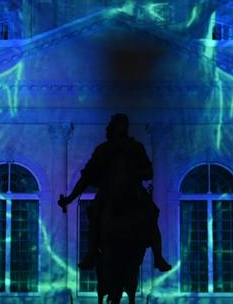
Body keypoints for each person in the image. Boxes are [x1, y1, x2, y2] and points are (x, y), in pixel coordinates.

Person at [58, 113, 171, 272]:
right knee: (96, 213)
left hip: (133, 191)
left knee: (150, 214)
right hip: (109, 192)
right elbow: (86, 177)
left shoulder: (135, 148)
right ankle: (91, 253)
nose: (112, 129)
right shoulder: (103, 150)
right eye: (114, 126)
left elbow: (149, 172)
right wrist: (69, 199)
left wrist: (133, 175)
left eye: (117, 126)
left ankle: (158, 256)